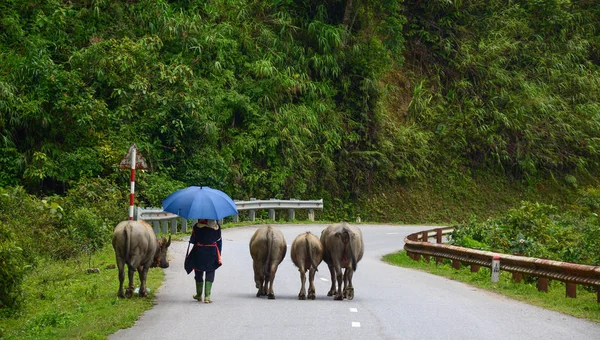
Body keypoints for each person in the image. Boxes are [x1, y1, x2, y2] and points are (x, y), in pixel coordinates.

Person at [186, 219, 222, 303]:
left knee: (198, 272)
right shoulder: (217, 227)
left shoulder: (196, 227)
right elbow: (219, 241)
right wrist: (219, 254)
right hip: (212, 251)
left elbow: (193, 240)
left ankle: (199, 295)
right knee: (210, 271)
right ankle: (207, 296)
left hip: (199, 251)